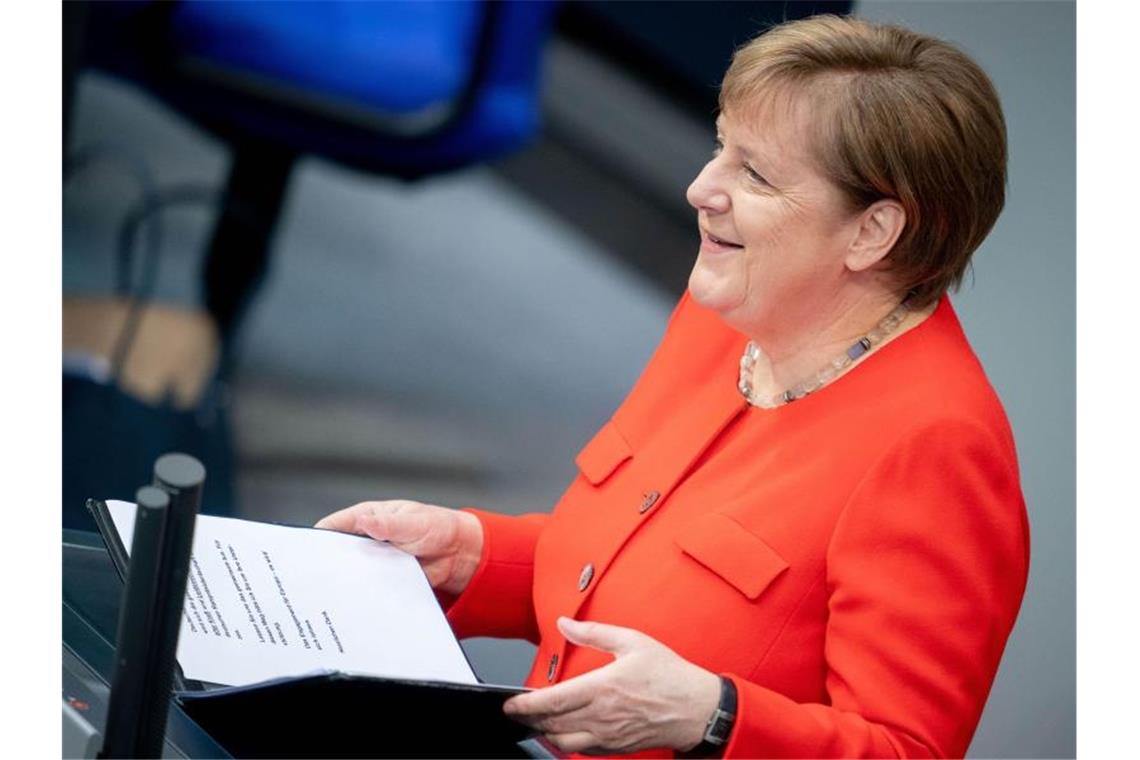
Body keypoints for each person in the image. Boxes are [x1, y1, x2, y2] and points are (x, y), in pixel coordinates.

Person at [317, 14, 1029, 758]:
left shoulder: (940, 449)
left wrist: (715, 718)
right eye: (721, 147)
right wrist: (471, 555)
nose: (700, 188)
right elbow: (626, 572)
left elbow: (905, 750)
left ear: (872, 233)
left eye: (755, 174)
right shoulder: (726, 311)